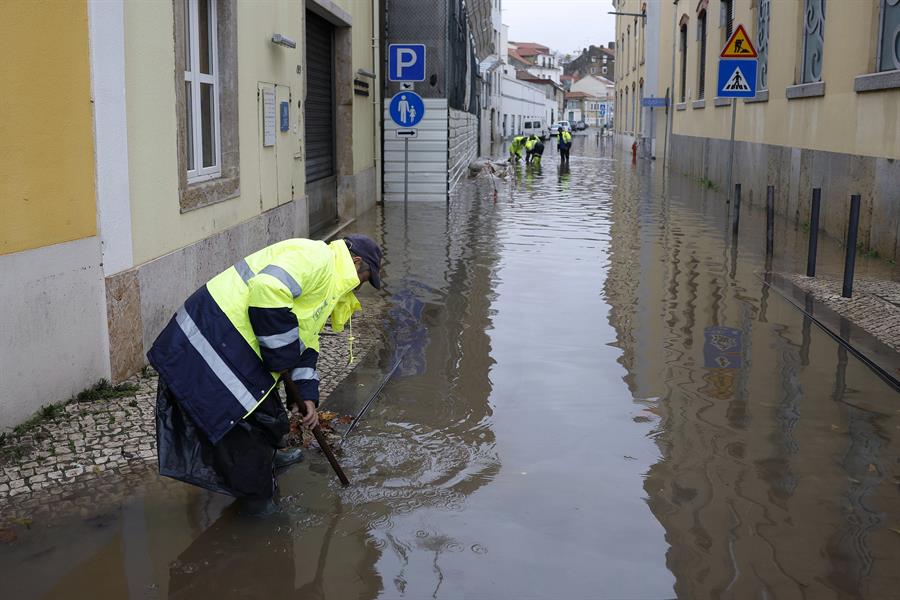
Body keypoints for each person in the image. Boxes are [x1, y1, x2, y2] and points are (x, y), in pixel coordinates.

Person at [149, 234, 383, 515]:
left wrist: (306, 396)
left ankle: (269, 459)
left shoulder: (330, 283)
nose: (361, 287)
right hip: (211, 339)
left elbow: (306, 341)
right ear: (356, 262)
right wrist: (281, 355)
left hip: (238, 345)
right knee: (243, 433)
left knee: (271, 420)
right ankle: (258, 503)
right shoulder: (317, 258)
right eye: (366, 278)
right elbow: (268, 288)